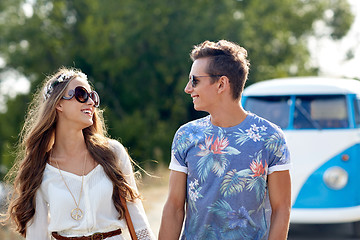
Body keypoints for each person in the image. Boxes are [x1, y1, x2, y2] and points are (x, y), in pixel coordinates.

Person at [159, 40, 291, 240]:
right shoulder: (186, 135)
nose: (187, 88)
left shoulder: (270, 137)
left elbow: (282, 209)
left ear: (221, 83)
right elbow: (174, 207)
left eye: (194, 81)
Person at [2, 67, 155, 240]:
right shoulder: (39, 168)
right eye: (81, 94)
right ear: (58, 103)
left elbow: (137, 216)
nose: (90, 102)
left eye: (93, 96)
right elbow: (37, 235)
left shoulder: (112, 153)